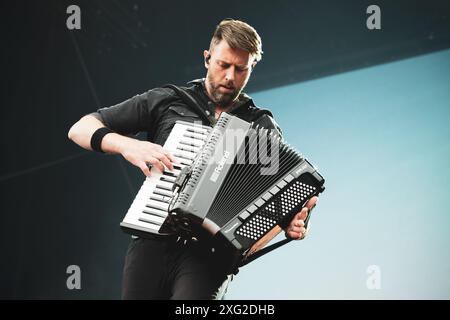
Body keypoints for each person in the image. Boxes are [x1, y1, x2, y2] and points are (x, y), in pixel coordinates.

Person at [68, 18, 318, 300]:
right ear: (207, 58)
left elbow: (274, 203)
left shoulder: (259, 124)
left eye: (240, 69)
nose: (229, 77)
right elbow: (79, 129)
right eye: (223, 65)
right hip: (151, 242)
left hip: (209, 257)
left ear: (251, 68)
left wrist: (291, 224)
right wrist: (128, 146)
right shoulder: (168, 100)